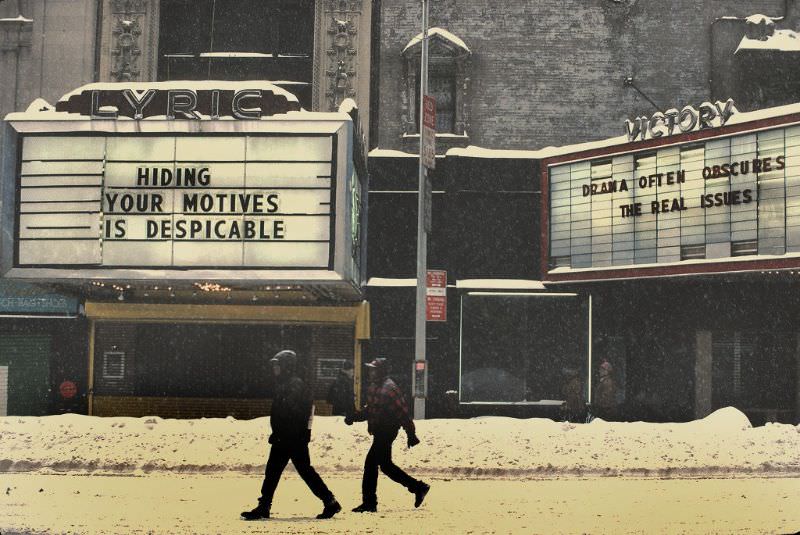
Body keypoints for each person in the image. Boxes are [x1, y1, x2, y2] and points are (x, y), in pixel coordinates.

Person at [241, 349, 341, 521]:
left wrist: (287, 433)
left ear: (286, 367)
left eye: (277, 365)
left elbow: (292, 412)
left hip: (290, 438)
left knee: (282, 471)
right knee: (290, 471)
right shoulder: (288, 384)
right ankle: (328, 501)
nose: (274, 368)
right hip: (288, 437)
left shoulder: (294, 385)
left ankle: (265, 506)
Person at [345, 358, 430, 512]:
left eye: (374, 369)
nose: (371, 372)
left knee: (370, 464)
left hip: (387, 431)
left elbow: (403, 414)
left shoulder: (389, 389)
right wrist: (354, 417)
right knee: (385, 465)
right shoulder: (374, 387)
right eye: (370, 369)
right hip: (379, 431)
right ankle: (418, 487)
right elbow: (370, 410)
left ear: (381, 371)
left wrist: (411, 433)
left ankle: (370, 502)